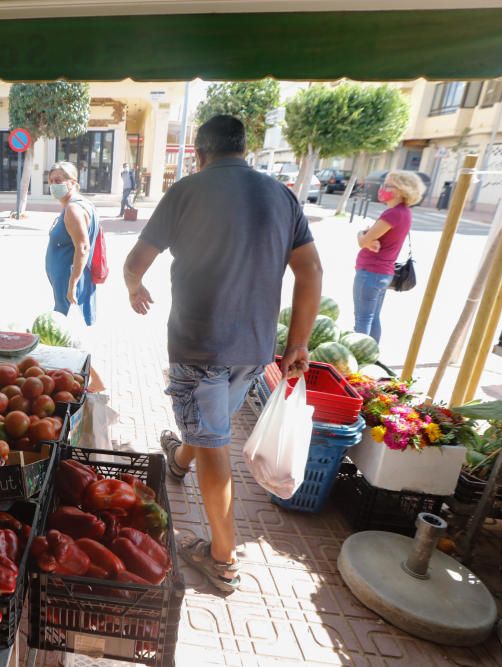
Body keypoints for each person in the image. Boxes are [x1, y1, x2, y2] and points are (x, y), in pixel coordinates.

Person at [123, 115, 322, 593]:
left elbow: (137, 259)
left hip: (200, 343)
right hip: (253, 349)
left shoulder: (187, 191)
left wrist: (134, 285)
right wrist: (298, 342)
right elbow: (310, 268)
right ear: (245, 147)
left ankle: (222, 558)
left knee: (214, 444)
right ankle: (178, 460)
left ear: (198, 152)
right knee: (208, 423)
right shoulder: (282, 196)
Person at [353, 170, 425, 343]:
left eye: (387, 185)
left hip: (370, 272)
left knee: (362, 319)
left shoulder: (392, 214)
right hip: (383, 273)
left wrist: (361, 235)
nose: (382, 188)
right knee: (373, 317)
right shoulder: (405, 213)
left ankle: (358, 356)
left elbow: (364, 241)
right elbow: (370, 239)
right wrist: (367, 238)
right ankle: (372, 355)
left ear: (401, 190)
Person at [45, 161, 99, 327]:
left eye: (58, 181)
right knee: (70, 328)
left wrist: (72, 284)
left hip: (69, 280)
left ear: (73, 182)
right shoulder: (81, 205)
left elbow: (83, 248)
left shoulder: (73, 209)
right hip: (69, 278)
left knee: (66, 330)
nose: (54, 185)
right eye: (51, 181)